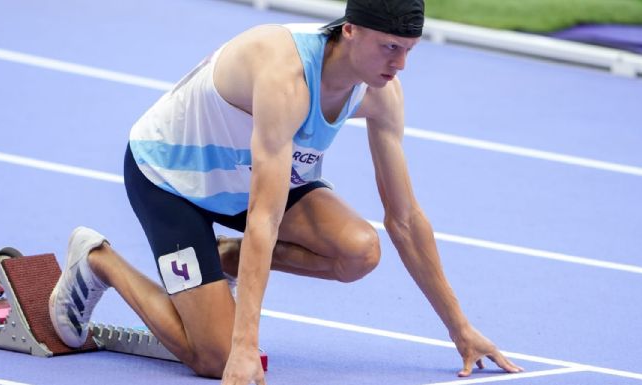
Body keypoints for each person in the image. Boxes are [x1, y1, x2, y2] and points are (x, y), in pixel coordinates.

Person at [49, 0, 523, 384]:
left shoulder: (382, 92)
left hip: (247, 182)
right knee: (213, 357)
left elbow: (405, 219)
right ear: (351, 30)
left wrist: (459, 328)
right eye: (390, 48)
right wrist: (243, 347)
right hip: (173, 180)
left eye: (409, 51)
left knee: (359, 251)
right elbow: (265, 218)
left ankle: (219, 260)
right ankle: (99, 260)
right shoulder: (286, 78)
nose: (399, 65)